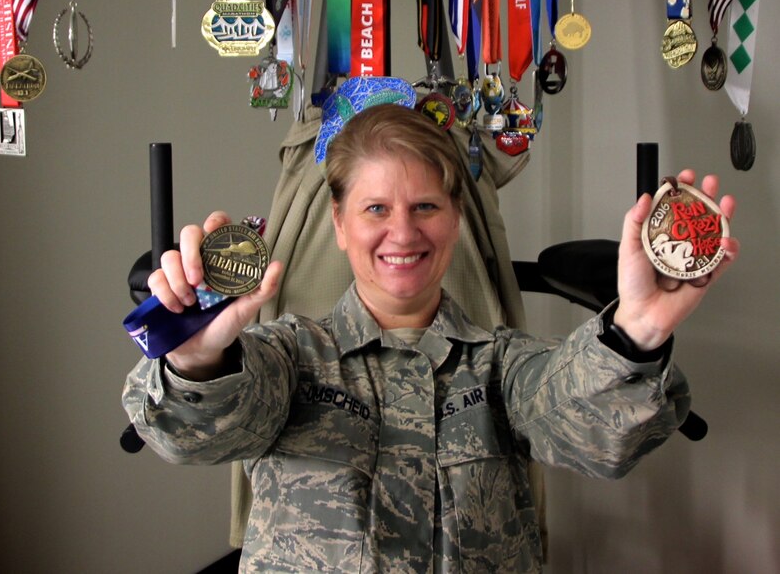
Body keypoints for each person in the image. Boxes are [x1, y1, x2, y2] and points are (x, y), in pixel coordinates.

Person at [123, 103, 738, 573]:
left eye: (424, 206)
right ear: (338, 223)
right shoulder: (288, 357)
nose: (402, 232)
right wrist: (198, 357)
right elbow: (196, 436)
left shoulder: (504, 365)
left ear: (456, 218)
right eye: (375, 209)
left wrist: (639, 330)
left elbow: (588, 429)